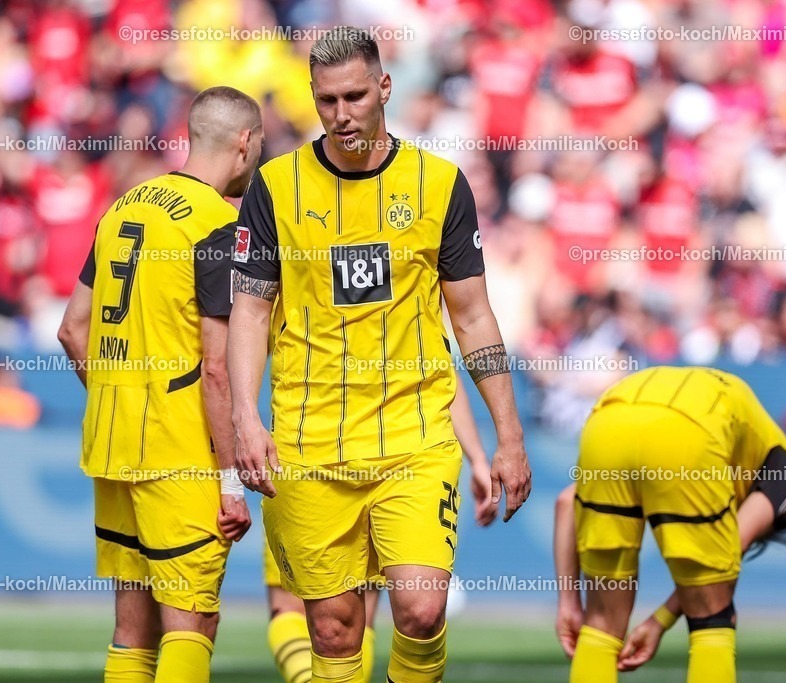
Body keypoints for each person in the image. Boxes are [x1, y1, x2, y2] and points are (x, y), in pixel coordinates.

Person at [227, 27, 532, 683]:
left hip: (414, 438)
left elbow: (473, 315)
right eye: (327, 100)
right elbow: (249, 309)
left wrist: (507, 435)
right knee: (334, 629)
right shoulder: (275, 187)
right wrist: (244, 420)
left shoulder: (439, 185)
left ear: (385, 87)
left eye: (355, 96)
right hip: (308, 443)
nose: (341, 115)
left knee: (420, 609)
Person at [57, 86, 263, 683]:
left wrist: (120, 396)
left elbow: (73, 330)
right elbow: (218, 367)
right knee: (190, 625)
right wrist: (230, 480)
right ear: (244, 144)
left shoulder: (125, 206)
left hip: (112, 445)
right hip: (179, 452)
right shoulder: (220, 224)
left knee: (132, 631)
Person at [554, 366, 786, 683]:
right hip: (688, 433)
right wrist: (659, 622)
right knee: (713, 616)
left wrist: (569, 603)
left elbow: (565, 502)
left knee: (602, 622)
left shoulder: (744, 424)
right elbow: (730, 548)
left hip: (606, 419)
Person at [263, 380, 499, 683]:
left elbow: (441, 371)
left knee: (353, 618)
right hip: (306, 462)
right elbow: (237, 355)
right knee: (330, 625)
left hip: (394, 459)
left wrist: (478, 456)